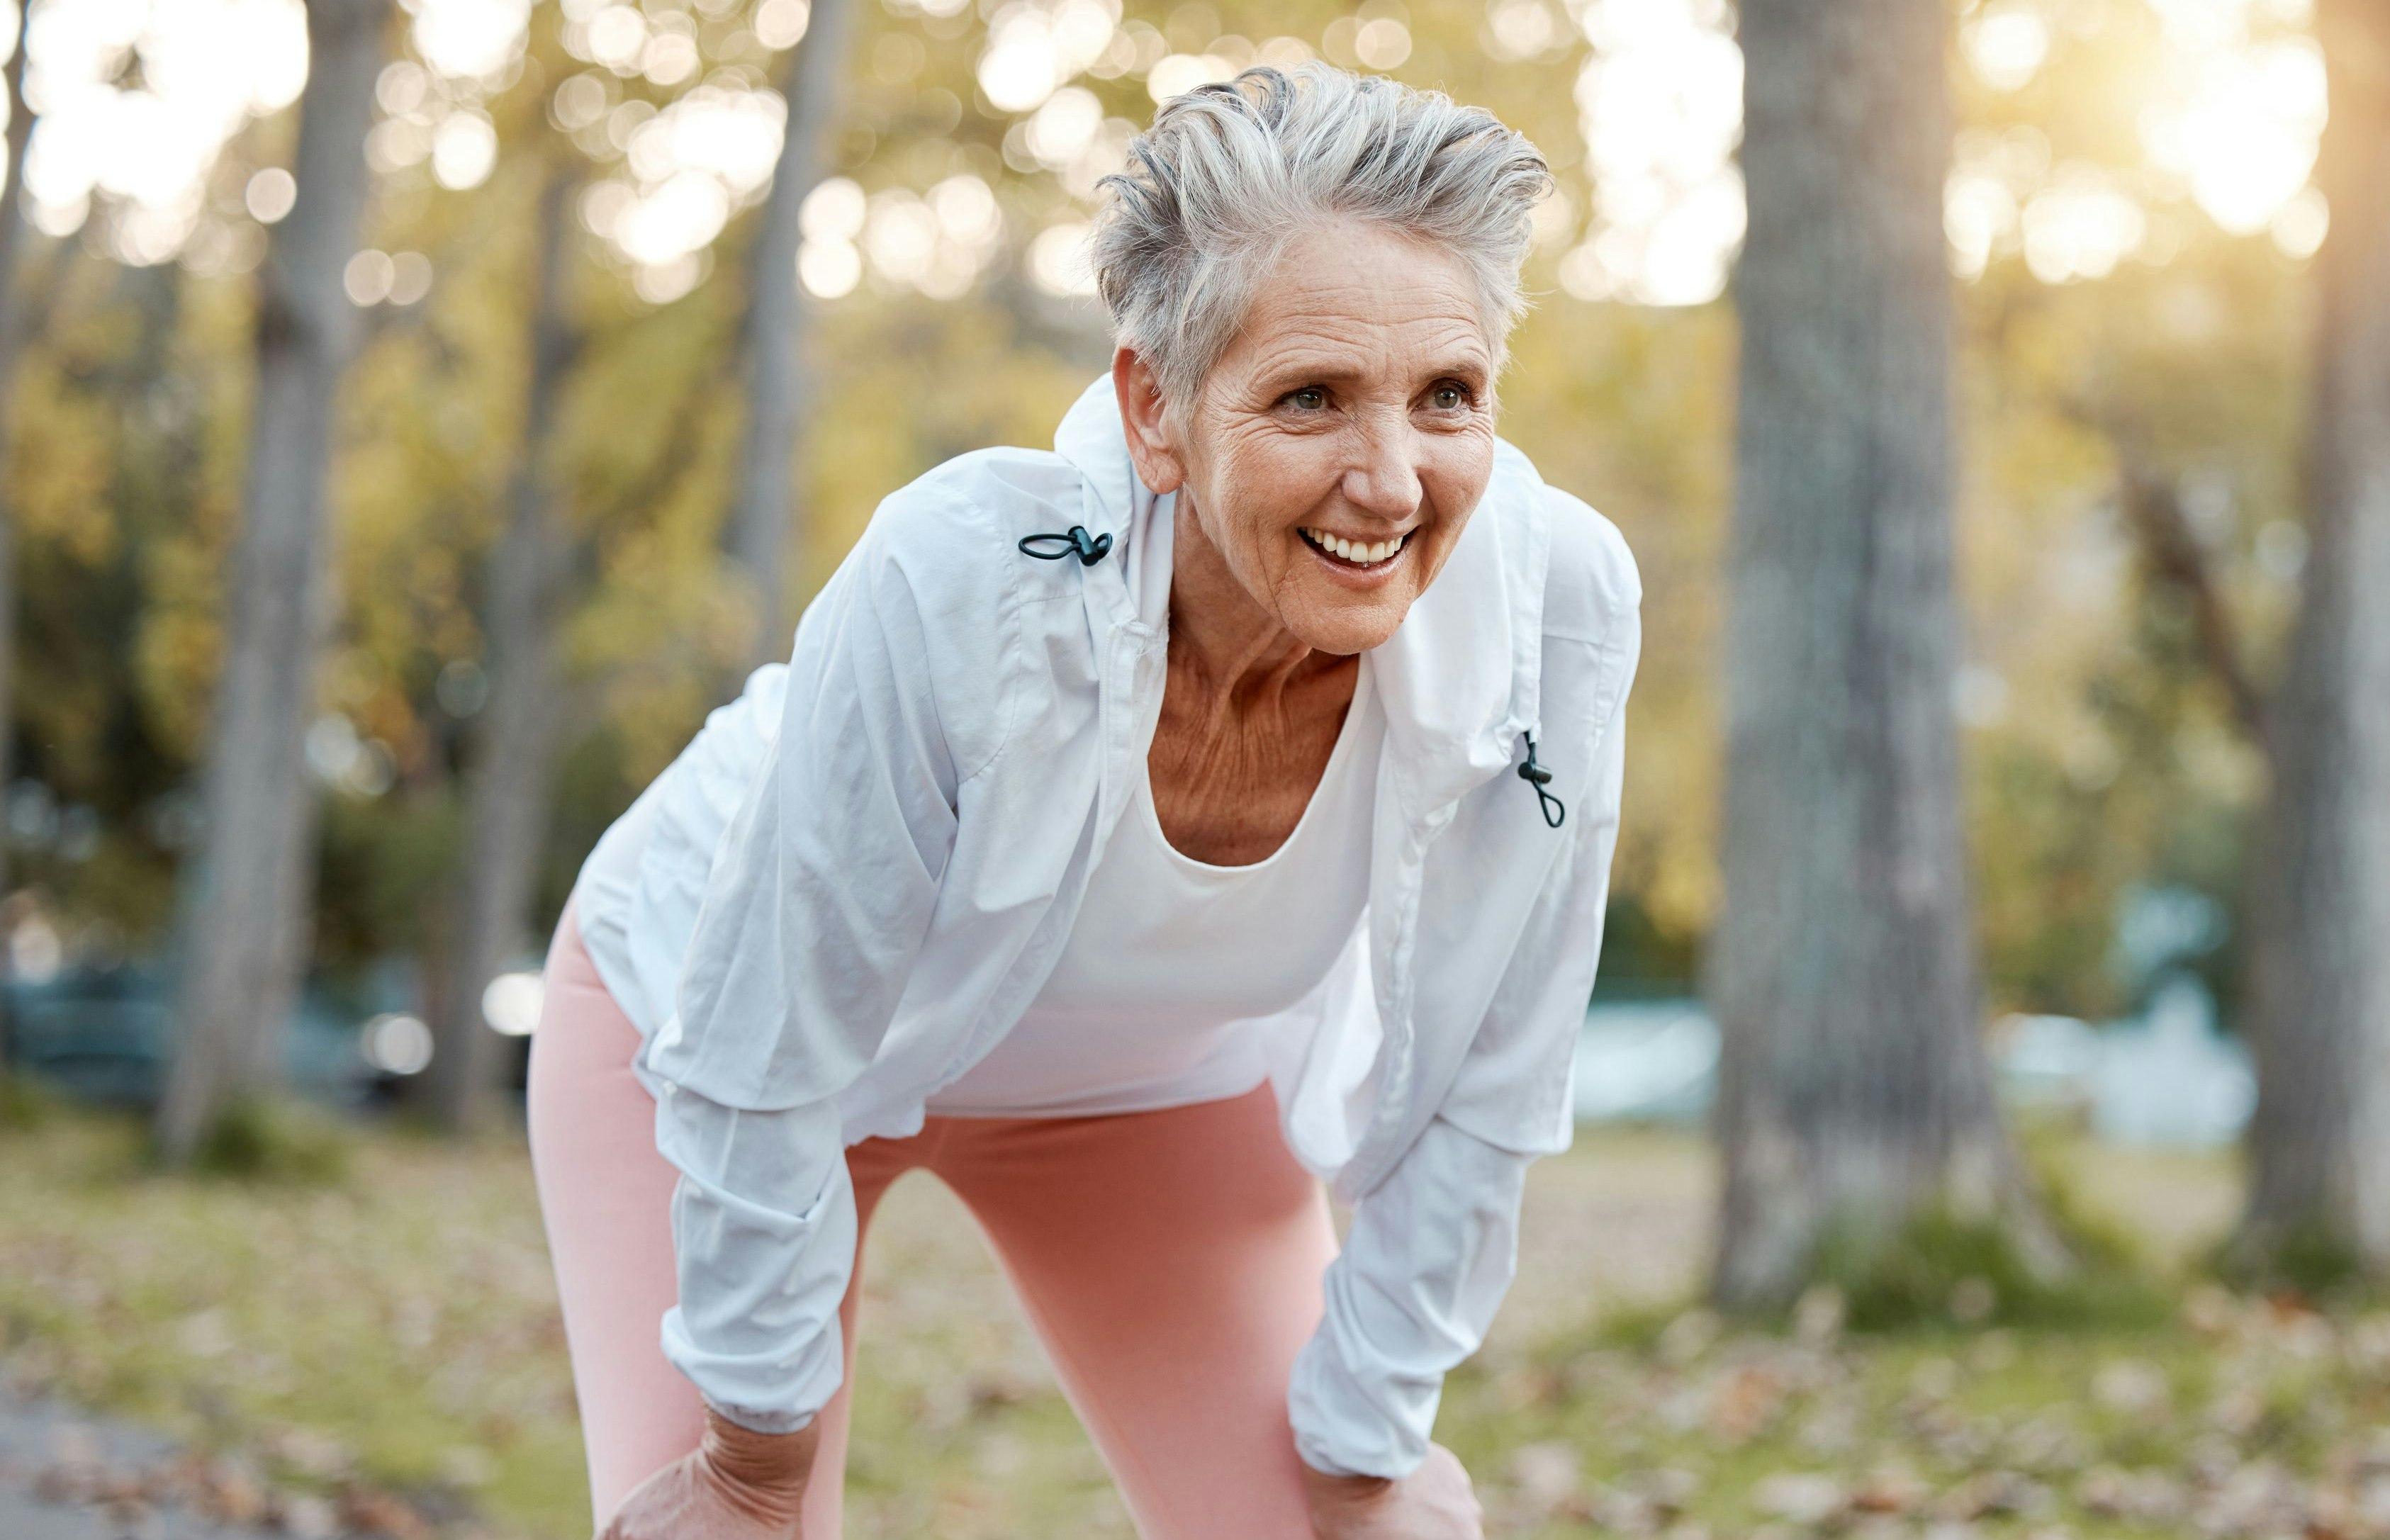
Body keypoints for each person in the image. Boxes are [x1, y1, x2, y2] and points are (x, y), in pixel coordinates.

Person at [528, 61, 1641, 1540]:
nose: (1389, 482)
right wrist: (752, 1464)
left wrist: (1366, 1443)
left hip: (1145, 1086)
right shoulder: (959, 577)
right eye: (1310, 397)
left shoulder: (1556, 605)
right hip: (718, 1028)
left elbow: (1498, 1068)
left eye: (1448, 395)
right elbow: (765, 1044)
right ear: (1153, 408)